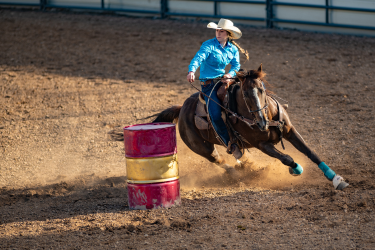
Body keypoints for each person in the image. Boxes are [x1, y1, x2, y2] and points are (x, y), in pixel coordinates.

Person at [187, 18, 249, 159]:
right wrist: (192, 71)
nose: (218, 33)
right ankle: (230, 144)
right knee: (215, 115)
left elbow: (236, 66)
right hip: (209, 85)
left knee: (247, 93)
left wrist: (230, 74)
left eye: (221, 31)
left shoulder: (232, 49)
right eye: (217, 30)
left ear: (228, 34)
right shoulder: (208, 45)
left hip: (223, 81)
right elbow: (199, 58)